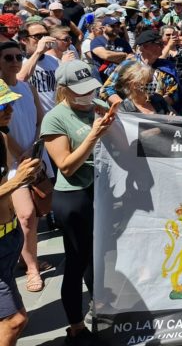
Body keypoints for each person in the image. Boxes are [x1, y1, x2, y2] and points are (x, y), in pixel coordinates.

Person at [40, 60, 116, 345]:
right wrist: (94, 135)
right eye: (80, 91)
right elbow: (66, 166)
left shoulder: (96, 105)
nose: (87, 95)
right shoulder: (55, 118)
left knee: (99, 259)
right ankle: (75, 327)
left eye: (90, 89)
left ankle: (101, 312)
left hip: (101, 193)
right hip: (74, 197)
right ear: (64, 90)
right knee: (77, 261)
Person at [0, 42, 49, 294]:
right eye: (8, 57)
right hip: (11, 165)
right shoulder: (0, 91)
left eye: (19, 56)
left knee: (36, 213)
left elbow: (41, 120)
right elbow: (2, 131)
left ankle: (25, 256)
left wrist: (36, 148)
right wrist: (22, 154)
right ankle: (32, 267)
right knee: (27, 215)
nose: (15, 61)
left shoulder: (29, 87)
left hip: (34, 158)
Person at [0, 81, 42, 345]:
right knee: (15, 321)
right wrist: (18, 181)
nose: (10, 109)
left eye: (11, 103)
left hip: (8, 240)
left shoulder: (2, 137)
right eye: (4, 105)